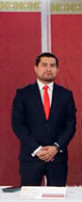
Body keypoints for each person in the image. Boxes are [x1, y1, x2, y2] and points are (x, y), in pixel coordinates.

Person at [11, 52, 76, 186]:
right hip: (31, 157)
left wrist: (56, 147)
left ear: (57, 69)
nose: (48, 69)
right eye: (44, 65)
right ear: (36, 68)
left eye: (52, 66)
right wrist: (37, 149)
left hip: (57, 158)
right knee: (29, 198)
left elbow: (70, 125)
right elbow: (18, 124)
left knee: (56, 197)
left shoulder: (66, 95)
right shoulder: (23, 94)